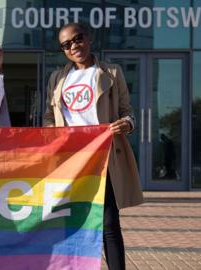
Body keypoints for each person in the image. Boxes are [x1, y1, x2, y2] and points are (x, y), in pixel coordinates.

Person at [43, 22, 143, 270]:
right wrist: (52, 136)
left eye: (77, 39)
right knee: (71, 222)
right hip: (70, 161)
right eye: (66, 45)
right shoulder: (57, 78)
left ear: (88, 39)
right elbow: (48, 116)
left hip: (103, 157)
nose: (73, 46)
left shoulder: (112, 73)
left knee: (109, 223)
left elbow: (128, 113)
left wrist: (127, 125)